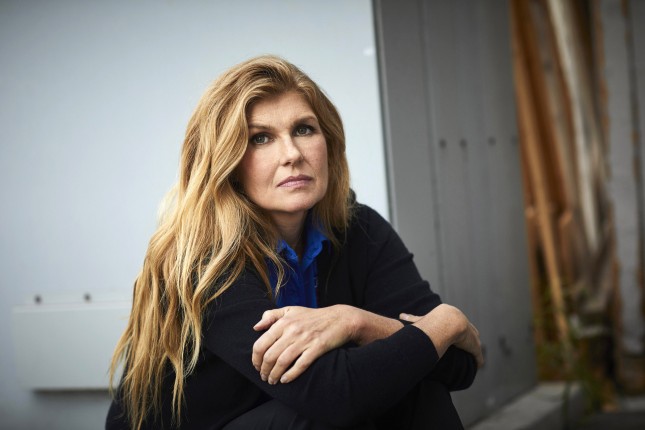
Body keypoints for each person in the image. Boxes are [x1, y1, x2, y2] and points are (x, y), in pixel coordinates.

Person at [106, 55, 483, 430]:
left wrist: (363, 323)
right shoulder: (207, 259)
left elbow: (458, 366)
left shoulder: (359, 229)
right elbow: (333, 396)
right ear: (226, 162)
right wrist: (447, 321)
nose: (292, 155)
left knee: (418, 388)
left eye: (304, 129)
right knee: (316, 417)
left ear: (328, 142)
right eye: (260, 138)